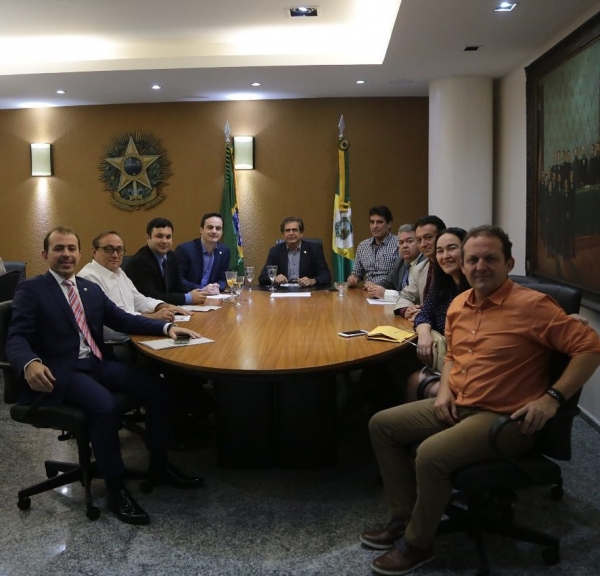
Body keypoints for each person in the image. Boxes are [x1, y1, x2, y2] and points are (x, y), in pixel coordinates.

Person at [361, 225, 600, 575]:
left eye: (490, 259)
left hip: (506, 418)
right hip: (460, 402)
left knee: (431, 455)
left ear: (509, 263)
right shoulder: (459, 303)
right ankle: (406, 520)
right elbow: (455, 355)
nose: (479, 266)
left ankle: (419, 544)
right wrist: (443, 390)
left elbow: (590, 348)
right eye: (472, 259)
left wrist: (552, 398)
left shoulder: (533, 306)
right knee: (382, 425)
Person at [6, 226, 204, 526]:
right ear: (46, 254)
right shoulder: (32, 289)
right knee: (105, 406)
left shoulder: (89, 288)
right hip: (61, 371)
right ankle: (115, 489)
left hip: (95, 364)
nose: (66, 254)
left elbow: (122, 319)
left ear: (80, 253)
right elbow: (16, 337)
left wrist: (167, 327)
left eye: (72, 248)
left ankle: (160, 466)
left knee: (157, 388)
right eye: (59, 249)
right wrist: (29, 362)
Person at [79, 230, 190, 343]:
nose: (115, 255)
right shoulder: (88, 278)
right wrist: (152, 317)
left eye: (119, 249)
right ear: (94, 251)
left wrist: (162, 306)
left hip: (134, 333)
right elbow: (116, 319)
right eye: (109, 249)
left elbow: (139, 299)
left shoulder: (119, 272)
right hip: (114, 343)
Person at [405, 228, 469, 402]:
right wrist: (424, 334)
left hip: (461, 364)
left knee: (404, 369)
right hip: (441, 357)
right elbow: (425, 314)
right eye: (440, 251)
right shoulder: (442, 282)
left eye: (452, 248)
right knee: (400, 363)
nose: (445, 256)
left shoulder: (475, 288)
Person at [126, 217, 206, 306]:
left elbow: (178, 286)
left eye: (168, 237)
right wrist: (187, 298)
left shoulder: (171, 256)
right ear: (148, 238)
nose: (164, 241)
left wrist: (198, 291)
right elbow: (152, 297)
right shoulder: (139, 262)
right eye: (159, 236)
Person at [394, 215, 446, 321]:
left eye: (428, 237)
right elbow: (405, 296)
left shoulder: (451, 268)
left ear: (441, 237)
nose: (423, 244)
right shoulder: (420, 269)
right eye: (419, 240)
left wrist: (424, 313)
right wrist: (407, 309)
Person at [258, 217, 331, 287]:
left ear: (301, 234)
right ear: (283, 235)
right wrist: (275, 279)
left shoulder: (315, 249)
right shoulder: (275, 251)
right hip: (283, 292)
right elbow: (262, 277)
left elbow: (326, 276)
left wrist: (313, 281)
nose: (291, 233)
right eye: (287, 230)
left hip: (307, 291)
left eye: (294, 230)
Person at [175, 212, 231, 295]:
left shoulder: (225, 251)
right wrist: (202, 289)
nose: (214, 231)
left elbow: (223, 279)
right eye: (210, 227)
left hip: (212, 297)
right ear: (201, 230)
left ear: (222, 232)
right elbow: (177, 279)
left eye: (218, 228)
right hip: (189, 297)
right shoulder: (184, 250)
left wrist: (217, 287)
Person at [365, 224, 424, 301]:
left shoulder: (425, 263)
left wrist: (384, 294)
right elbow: (387, 282)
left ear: (419, 243)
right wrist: (374, 288)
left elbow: (414, 296)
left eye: (409, 241)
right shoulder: (401, 261)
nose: (404, 246)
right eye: (401, 242)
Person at [347, 206, 399, 286]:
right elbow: (357, 273)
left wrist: (378, 285)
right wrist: (353, 279)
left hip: (387, 293)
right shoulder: (363, 246)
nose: (375, 226)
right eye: (372, 222)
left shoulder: (398, 244)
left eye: (379, 222)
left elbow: (400, 277)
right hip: (367, 292)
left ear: (389, 224)